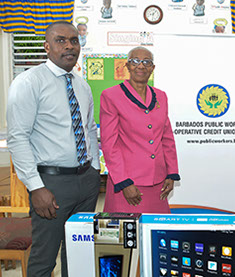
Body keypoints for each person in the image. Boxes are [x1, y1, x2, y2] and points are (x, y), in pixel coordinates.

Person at [7, 21, 100, 276]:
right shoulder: (29, 82)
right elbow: (18, 137)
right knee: (44, 259)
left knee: (79, 255)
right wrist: (36, 187)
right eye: (61, 40)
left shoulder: (81, 85)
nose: (69, 46)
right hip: (51, 185)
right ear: (47, 46)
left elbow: (89, 128)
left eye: (74, 40)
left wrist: (94, 168)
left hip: (86, 182)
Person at [100, 46, 180, 213]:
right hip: (128, 184)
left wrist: (171, 173)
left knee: (158, 234)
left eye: (146, 62)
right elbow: (109, 144)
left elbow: (166, 138)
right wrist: (123, 182)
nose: (141, 66)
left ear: (152, 68)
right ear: (127, 66)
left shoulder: (161, 96)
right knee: (129, 235)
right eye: (135, 61)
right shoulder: (111, 96)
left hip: (158, 183)